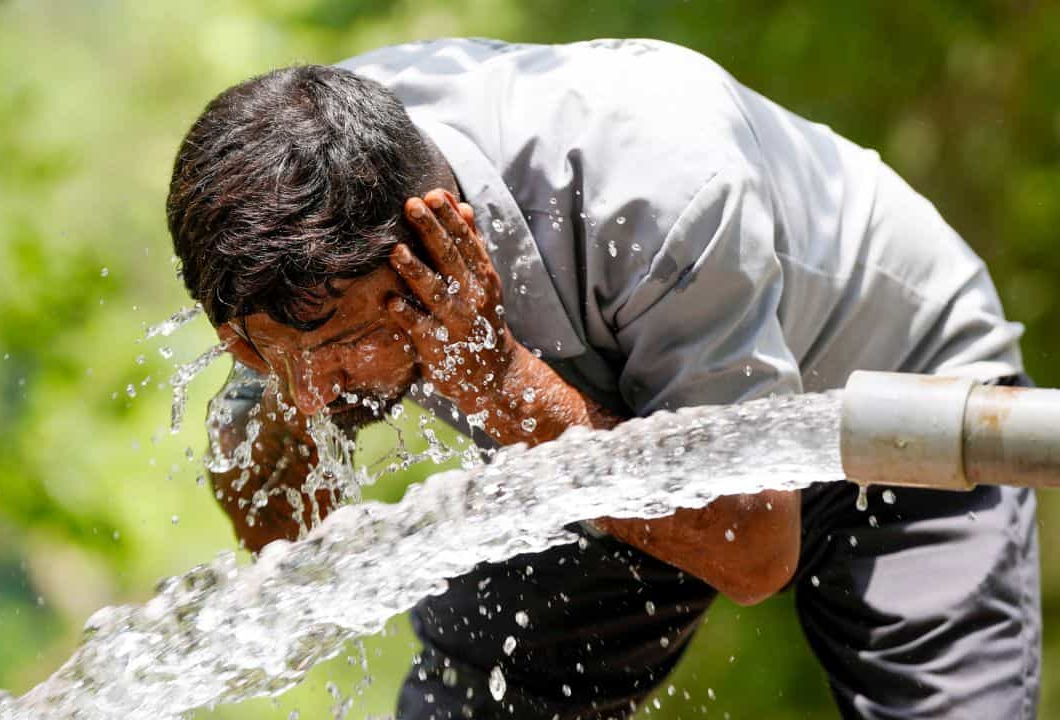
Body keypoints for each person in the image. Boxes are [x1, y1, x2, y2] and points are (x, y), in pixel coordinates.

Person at [165, 39, 1039, 720]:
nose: (320, 389)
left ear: (443, 243)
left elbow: (753, 548)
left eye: (353, 343)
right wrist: (279, 400)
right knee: (478, 697)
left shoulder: (658, 185)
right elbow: (286, 540)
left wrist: (501, 383)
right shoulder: (289, 211)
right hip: (610, 432)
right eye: (272, 356)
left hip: (891, 387)